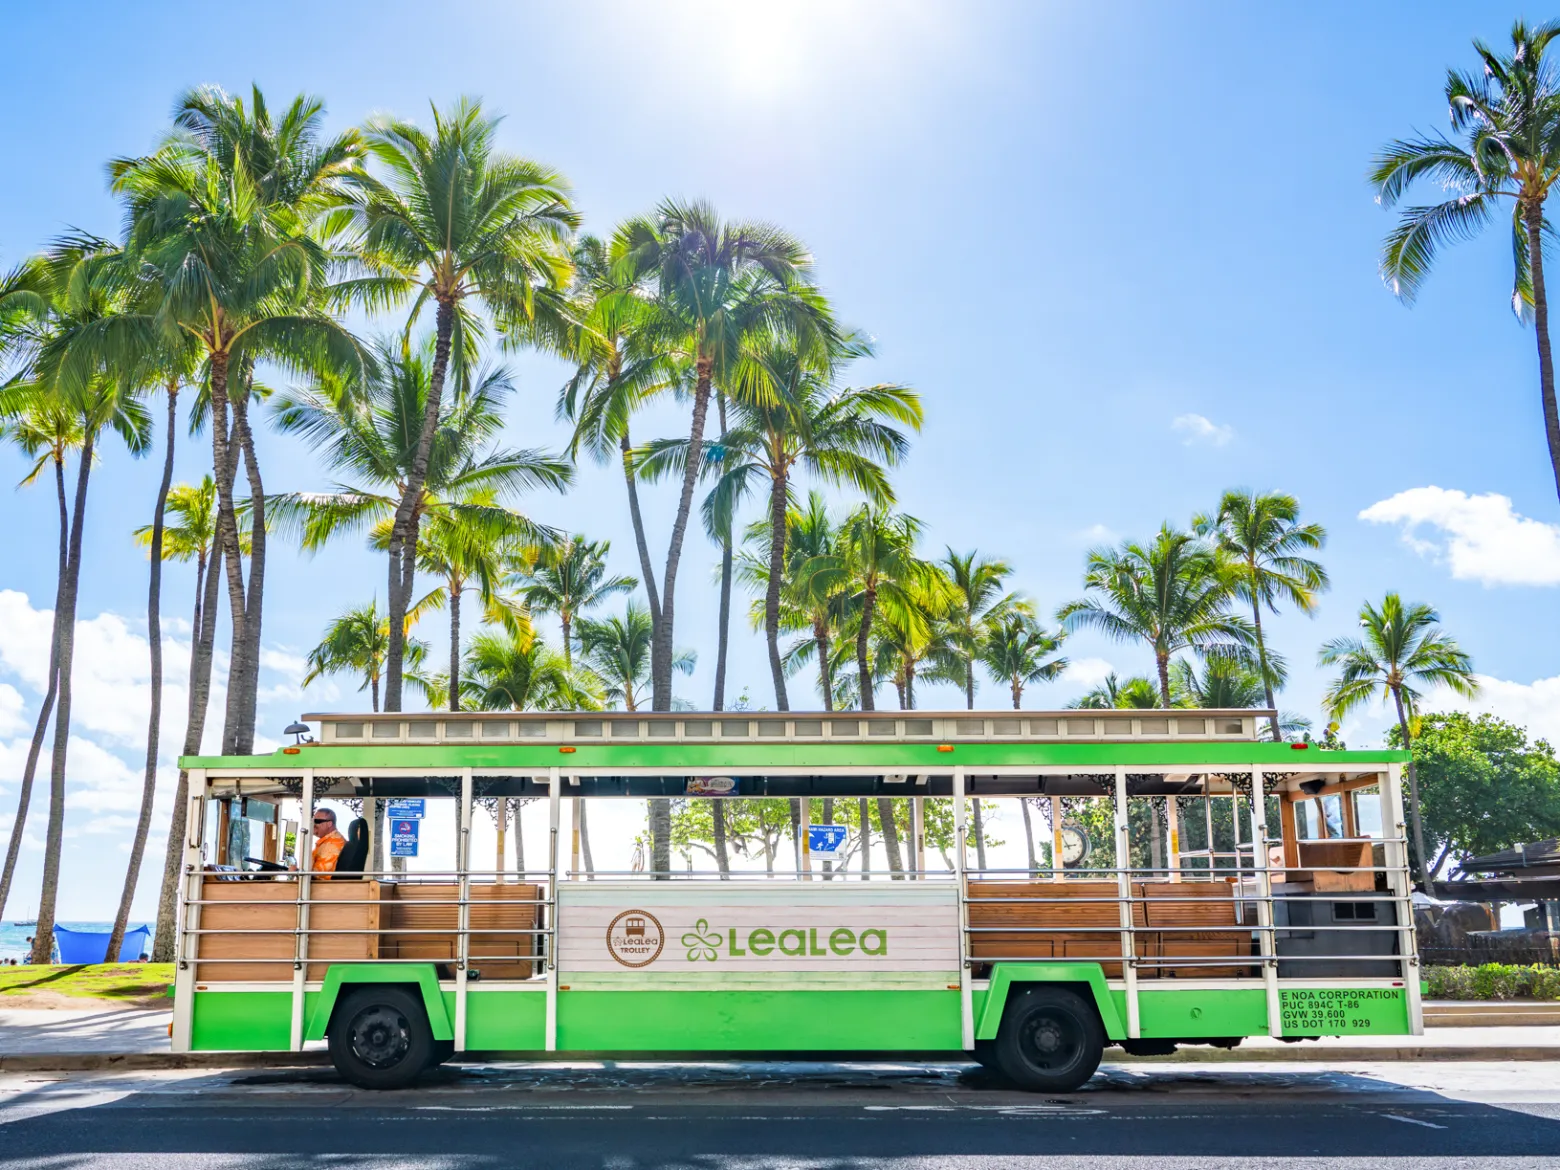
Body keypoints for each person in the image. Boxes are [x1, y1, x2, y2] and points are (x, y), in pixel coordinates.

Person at [309, 808, 347, 878]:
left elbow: (319, 876)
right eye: (313, 821)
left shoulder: (332, 845)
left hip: (322, 887)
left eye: (317, 821)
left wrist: (296, 872)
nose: (314, 824)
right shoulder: (327, 841)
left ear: (329, 824)